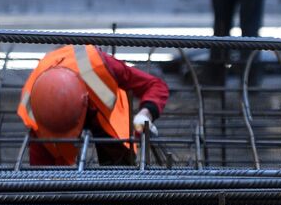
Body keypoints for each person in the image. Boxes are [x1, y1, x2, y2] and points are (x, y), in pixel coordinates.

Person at [17, 45, 169, 167]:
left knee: (119, 174)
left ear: (84, 102)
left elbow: (155, 86)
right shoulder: (36, 111)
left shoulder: (99, 67)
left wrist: (145, 115)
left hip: (107, 116)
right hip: (52, 128)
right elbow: (42, 179)